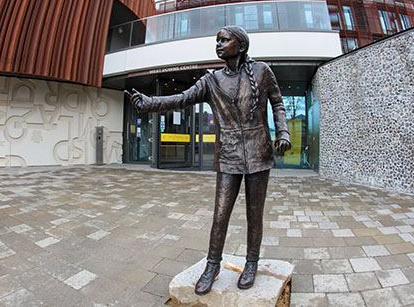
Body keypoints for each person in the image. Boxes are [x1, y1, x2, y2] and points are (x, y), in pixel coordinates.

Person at [125, 26, 291, 295]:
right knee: (220, 214)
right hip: (228, 156)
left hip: (259, 152)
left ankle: (251, 263)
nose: (219, 44)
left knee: (254, 215)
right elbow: (182, 98)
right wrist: (150, 102)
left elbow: (278, 104)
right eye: (218, 40)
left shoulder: (261, 71)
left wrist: (282, 131)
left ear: (240, 46)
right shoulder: (211, 81)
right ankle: (212, 265)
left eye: (225, 40)